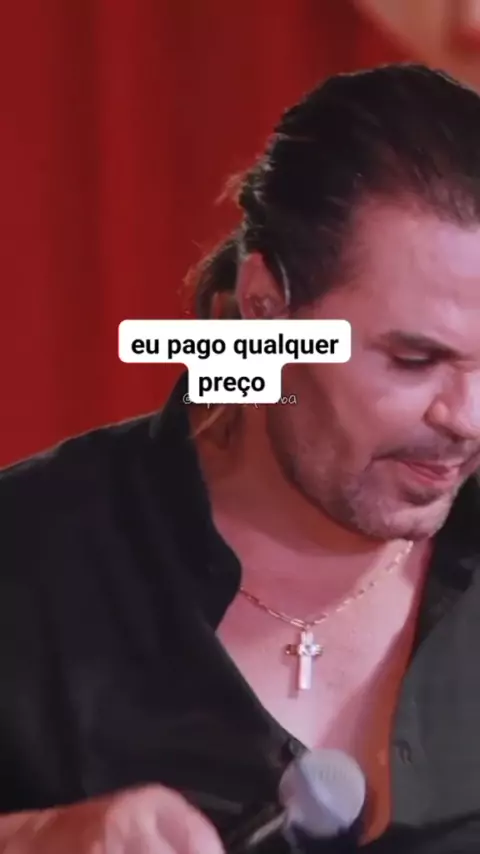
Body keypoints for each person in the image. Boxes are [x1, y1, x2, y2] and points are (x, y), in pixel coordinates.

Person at [2, 62, 480, 854]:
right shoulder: (29, 557)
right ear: (265, 307)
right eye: (413, 360)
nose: (465, 419)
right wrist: (30, 840)